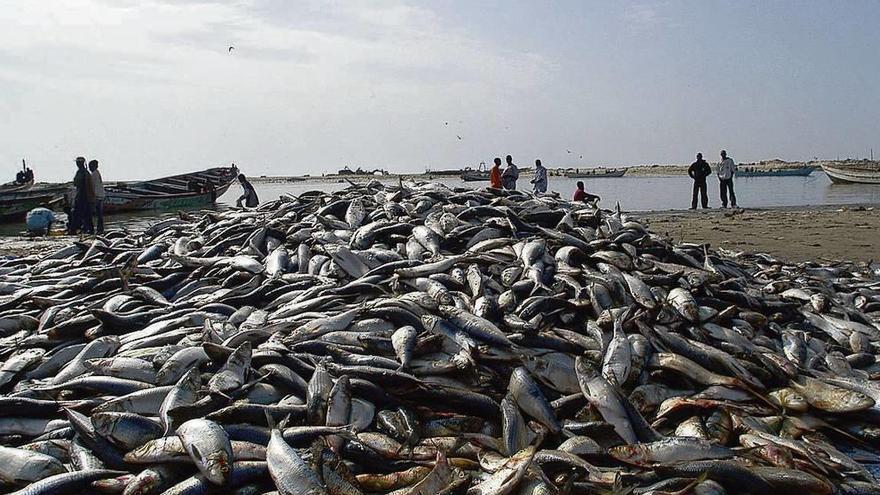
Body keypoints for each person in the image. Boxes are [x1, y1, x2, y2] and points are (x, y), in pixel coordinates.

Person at [68, 157, 89, 234]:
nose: (77, 164)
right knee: (84, 214)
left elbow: (76, 183)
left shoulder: (81, 172)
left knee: (77, 213)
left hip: (81, 195)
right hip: (83, 195)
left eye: (77, 162)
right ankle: (85, 229)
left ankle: (74, 230)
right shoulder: (84, 172)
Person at [89, 160, 105, 234]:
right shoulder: (96, 173)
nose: (89, 167)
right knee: (99, 215)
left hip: (97, 196)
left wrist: (92, 197)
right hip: (100, 196)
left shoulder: (94, 174)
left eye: (90, 166)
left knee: (93, 214)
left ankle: (98, 230)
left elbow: (92, 187)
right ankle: (100, 229)